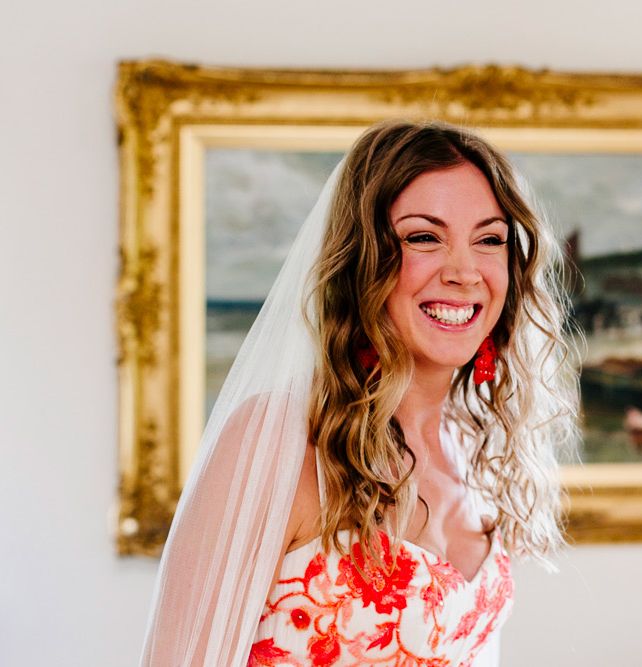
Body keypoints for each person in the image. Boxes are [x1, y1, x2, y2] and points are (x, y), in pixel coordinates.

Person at [139, 120, 580, 666]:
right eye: (424, 237)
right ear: (360, 260)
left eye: (489, 240)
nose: (464, 272)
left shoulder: (476, 447)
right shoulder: (280, 442)